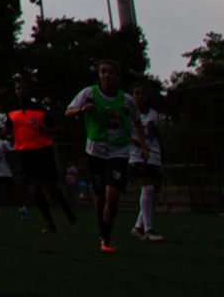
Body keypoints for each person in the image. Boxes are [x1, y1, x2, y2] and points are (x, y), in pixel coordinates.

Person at [66, 59, 147, 253]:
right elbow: (68, 112)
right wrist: (81, 110)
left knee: (113, 196)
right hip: (96, 151)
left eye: (111, 72)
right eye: (103, 71)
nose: (107, 75)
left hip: (118, 151)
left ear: (118, 76)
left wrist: (143, 146)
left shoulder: (126, 100)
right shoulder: (89, 93)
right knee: (99, 196)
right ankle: (104, 233)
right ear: (99, 75)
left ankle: (107, 236)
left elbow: (137, 122)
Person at [7, 80, 77, 233]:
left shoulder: (41, 110)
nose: (21, 91)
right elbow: (8, 129)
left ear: (30, 91)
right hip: (25, 155)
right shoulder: (12, 112)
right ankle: (49, 222)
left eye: (24, 88)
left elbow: (57, 127)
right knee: (35, 189)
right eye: (18, 88)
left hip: (43, 153)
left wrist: (48, 131)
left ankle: (66, 208)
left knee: (50, 188)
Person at [128, 78, 166, 242]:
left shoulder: (153, 114)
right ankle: (148, 229)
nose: (140, 96)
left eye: (143, 93)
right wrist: (134, 141)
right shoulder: (128, 113)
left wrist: (154, 129)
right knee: (148, 189)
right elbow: (122, 132)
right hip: (137, 153)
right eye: (137, 93)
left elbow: (159, 134)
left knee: (155, 193)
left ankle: (138, 227)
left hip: (154, 153)